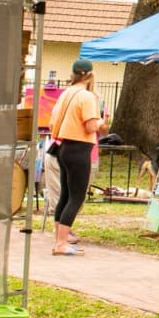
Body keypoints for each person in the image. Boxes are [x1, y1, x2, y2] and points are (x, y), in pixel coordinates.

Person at [49, 58, 106, 255]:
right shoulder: (87, 97)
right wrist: (101, 122)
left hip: (63, 147)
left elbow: (52, 121)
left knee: (65, 195)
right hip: (79, 148)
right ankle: (62, 243)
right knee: (76, 197)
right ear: (90, 75)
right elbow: (91, 126)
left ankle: (59, 240)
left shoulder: (66, 93)